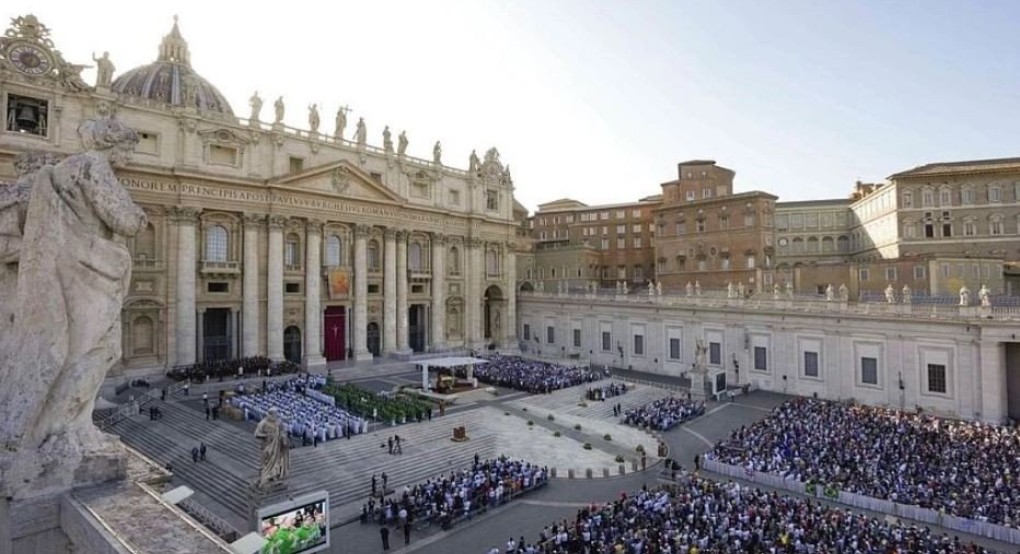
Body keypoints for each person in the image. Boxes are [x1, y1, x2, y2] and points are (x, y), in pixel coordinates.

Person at [254, 407, 290, 487]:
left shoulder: (278, 422)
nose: (275, 416)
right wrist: (266, 435)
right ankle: (264, 477)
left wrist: (284, 439)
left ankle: (273, 475)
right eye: (274, 414)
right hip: (267, 446)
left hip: (277, 446)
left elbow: (282, 432)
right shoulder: (263, 423)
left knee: (276, 461)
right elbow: (256, 434)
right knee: (266, 461)